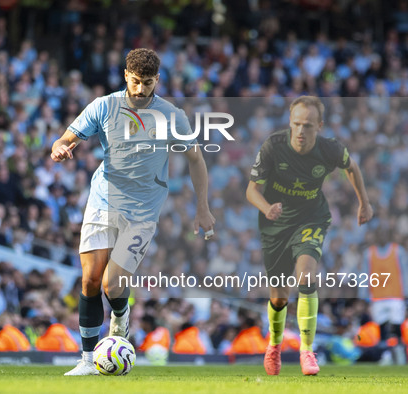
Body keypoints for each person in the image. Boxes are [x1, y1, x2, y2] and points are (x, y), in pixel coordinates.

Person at [51, 48, 215, 376]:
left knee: (113, 283)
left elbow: (196, 160)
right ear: (126, 75)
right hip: (103, 200)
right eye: (137, 82)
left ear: (158, 80)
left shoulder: (172, 116)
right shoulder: (104, 106)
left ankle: (121, 320)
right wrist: (59, 146)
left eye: (149, 82)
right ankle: (86, 361)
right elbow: (67, 136)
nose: (141, 90)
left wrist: (203, 207)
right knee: (90, 280)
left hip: (143, 210)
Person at [246, 96, 373, 376]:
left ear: (320, 126)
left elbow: (352, 167)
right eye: (296, 124)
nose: (301, 131)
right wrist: (267, 208)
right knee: (279, 297)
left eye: (307, 126)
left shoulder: (330, 150)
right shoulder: (273, 146)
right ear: (290, 123)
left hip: (311, 218)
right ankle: (274, 346)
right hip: (275, 224)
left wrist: (364, 202)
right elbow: (251, 189)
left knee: (306, 277)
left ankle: (306, 350)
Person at [360, 224, 408, 365]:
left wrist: (405, 292)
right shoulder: (369, 253)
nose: (382, 236)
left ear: (388, 235)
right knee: (381, 329)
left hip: (395, 296)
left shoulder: (397, 251)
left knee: (396, 327)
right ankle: (384, 355)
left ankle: (399, 356)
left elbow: (404, 271)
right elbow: (364, 274)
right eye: (379, 233)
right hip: (378, 297)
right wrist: (364, 297)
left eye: (384, 233)